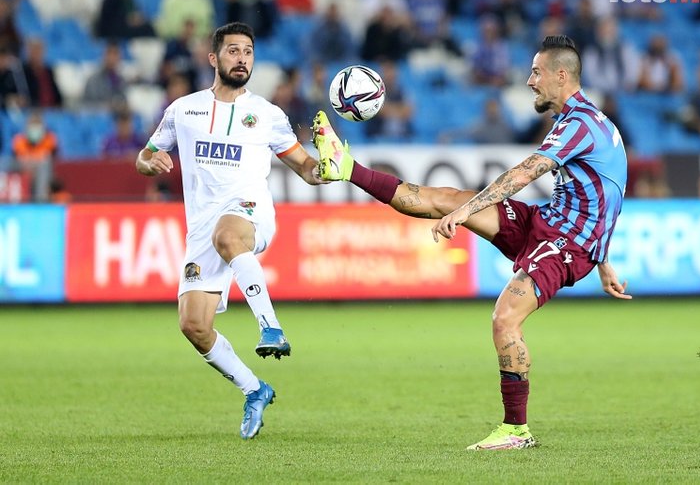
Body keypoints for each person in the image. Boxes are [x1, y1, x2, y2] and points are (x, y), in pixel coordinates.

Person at [312, 35, 631, 450]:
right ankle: (346, 167)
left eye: (536, 72)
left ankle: (516, 430)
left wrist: (468, 216)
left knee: (504, 319)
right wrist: (604, 257)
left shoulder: (579, 124)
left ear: (561, 75)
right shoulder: (591, 121)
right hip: (548, 224)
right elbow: (610, 187)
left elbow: (525, 172)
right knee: (444, 198)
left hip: (567, 244)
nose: (530, 80)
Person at [135, 22, 327, 440]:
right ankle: (254, 388)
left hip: (250, 212)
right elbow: (146, 154)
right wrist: (149, 162)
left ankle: (270, 326)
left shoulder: (269, 115)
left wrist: (329, 166)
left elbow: (308, 171)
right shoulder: (183, 110)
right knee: (193, 325)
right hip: (202, 227)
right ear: (213, 58)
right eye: (234, 51)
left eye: (248, 52)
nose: (242, 59)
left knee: (229, 235)